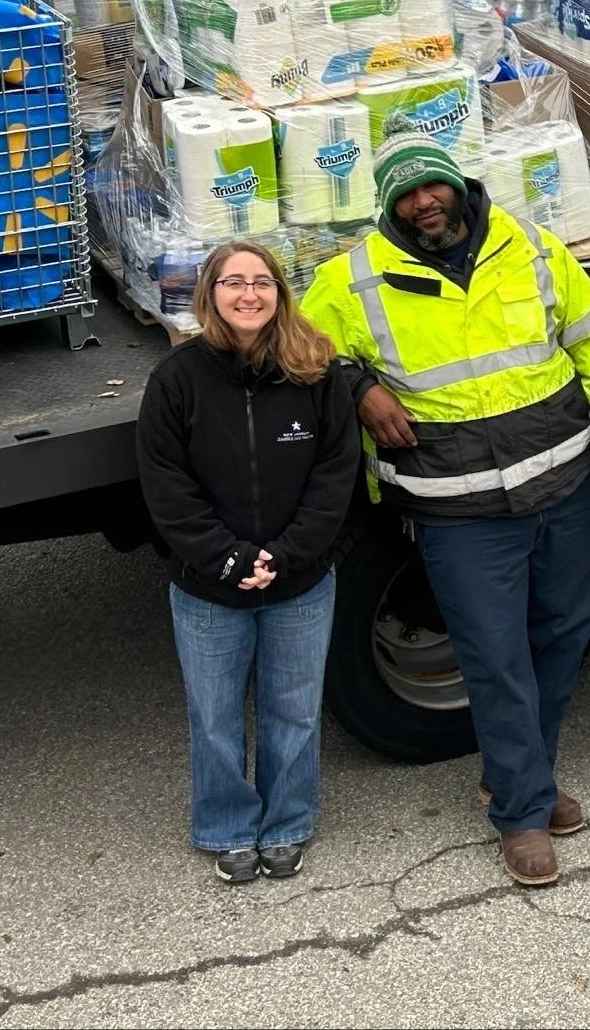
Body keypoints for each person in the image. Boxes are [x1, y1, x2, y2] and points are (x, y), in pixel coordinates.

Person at [302, 135, 590, 889]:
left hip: (566, 481)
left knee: (565, 634)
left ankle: (515, 776)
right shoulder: (353, 279)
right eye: (405, 195)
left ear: (458, 185)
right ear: (388, 206)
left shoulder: (531, 246)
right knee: (495, 657)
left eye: (431, 187)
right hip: (459, 508)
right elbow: (297, 351)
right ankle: (522, 810)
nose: (422, 203)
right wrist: (354, 386)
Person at [137, 240, 359, 886]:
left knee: (294, 706)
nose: (249, 294)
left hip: (300, 579)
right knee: (214, 713)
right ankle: (229, 826)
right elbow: (165, 486)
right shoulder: (176, 381)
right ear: (211, 294)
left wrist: (287, 554)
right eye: (233, 282)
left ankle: (287, 822)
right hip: (208, 586)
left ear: (279, 293)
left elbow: (335, 474)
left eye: (261, 281)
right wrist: (227, 557)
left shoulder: (316, 371)